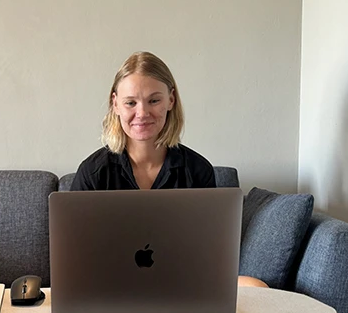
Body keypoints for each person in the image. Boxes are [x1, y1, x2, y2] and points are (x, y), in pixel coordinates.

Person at [71, 51, 267, 289]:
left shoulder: (197, 170)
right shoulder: (93, 172)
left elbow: (207, 254)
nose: (142, 113)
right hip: (111, 286)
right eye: (131, 102)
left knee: (257, 286)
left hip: (181, 284)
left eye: (154, 100)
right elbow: (77, 258)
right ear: (115, 104)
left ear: (171, 100)